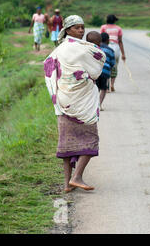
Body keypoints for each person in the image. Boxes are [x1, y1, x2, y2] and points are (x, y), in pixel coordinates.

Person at [44, 15, 106, 193]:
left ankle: (66, 184)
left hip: (64, 101)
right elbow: (97, 65)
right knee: (91, 139)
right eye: (77, 27)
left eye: (82, 27)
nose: (81, 30)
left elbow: (48, 67)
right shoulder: (81, 49)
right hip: (82, 102)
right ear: (68, 29)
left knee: (67, 144)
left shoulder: (59, 50)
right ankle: (76, 177)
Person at [100, 15, 126, 92]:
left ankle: (107, 86)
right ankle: (112, 84)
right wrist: (123, 54)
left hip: (105, 48)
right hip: (116, 48)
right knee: (114, 66)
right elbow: (120, 41)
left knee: (105, 66)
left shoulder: (103, 27)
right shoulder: (118, 28)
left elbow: (101, 38)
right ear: (115, 20)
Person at [97, 33, 116, 110]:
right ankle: (99, 104)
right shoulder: (110, 50)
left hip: (96, 71)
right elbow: (112, 63)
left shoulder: (96, 48)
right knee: (104, 89)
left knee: (95, 89)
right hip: (105, 72)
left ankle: (93, 104)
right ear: (108, 40)